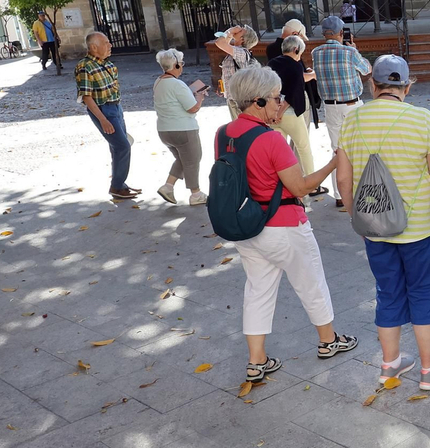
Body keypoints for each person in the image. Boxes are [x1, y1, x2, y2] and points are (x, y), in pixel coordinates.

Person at [221, 66, 358, 384]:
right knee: (310, 281)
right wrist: (333, 162)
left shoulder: (225, 134)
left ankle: (256, 361)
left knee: (257, 290)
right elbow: (299, 187)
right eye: (274, 97)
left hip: (246, 225)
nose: (280, 103)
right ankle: (328, 340)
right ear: (257, 101)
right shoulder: (270, 140)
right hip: (283, 224)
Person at [335, 55, 430, 390]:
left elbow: (344, 181)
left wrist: (356, 218)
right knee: (423, 290)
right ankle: (429, 369)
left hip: (374, 227)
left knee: (387, 292)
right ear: (407, 86)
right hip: (420, 227)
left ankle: (390, 364)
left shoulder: (352, 120)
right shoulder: (422, 119)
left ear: (372, 85)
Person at [312, 16, 372, 207]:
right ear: (341, 33)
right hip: (352, 105)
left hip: (330, 106)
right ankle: (360, 190)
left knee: (337, 149)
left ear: (324, 34)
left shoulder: (316, 52)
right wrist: (355, 50)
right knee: (360, 147)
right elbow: (366, 69)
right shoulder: (348, 52)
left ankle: (339, 195)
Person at [76, 32, 137, 200]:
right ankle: (117, 186)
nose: (110, 45)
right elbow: (86, 97)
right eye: (106, 42)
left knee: (117, 147)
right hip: (103, 110)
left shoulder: (108, 65)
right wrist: (103, 119)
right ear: (94, 47)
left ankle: (120, 184)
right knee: (123, 146)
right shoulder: (85, 66)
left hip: (116, 107)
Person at [152, 48, 208, 206]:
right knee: (193, 159)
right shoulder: (178, 84)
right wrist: (199, 97)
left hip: (164, 129)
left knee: (183, 159)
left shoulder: (158, 82)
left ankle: (168, 186)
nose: (182, 66)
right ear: (176, 65)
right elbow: (192, 108)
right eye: (181, 63)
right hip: (183, 128)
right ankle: (195, 193)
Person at [267, 35, 321, 191]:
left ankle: (281, 185)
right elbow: (292, 93)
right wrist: (280, 112)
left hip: (273, 113)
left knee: (279, 153)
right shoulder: (295, 66)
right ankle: (312, 184)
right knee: (303, 148)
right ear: (296, 50)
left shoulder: (272, 63)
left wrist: (274, 113)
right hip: (289, 114)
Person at [214, 25, 260, 120]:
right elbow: (224, 43)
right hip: (233, 97)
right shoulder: (236, 51)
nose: (239, 29)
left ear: (243, 39)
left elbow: (219, 42)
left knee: (242, 129)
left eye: (242, 30)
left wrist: (230, 31)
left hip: (239, 100)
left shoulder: (242, 53)